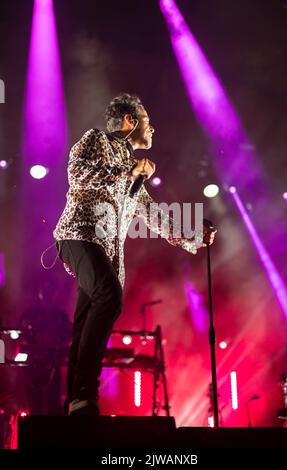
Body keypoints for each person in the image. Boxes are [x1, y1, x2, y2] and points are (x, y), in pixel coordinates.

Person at [53, 93, 216, 416]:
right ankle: (86, 393)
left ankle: (75, 401)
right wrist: (129, 171)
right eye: (148, 122)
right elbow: (78, 174)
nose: (153, 130)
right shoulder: (97, 140)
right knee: (109, 297)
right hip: (78, 236)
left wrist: (196, 236)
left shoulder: (133, 173)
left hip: (103, 250)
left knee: (87, 318)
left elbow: (156, 218)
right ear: (130, 122)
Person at [18, 281, 71, 415]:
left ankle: (53, 430)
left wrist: (55, 346)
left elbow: (69, 335)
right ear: (39, 293)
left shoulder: (61, 317)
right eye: (45, 290)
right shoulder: (30, 315)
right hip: (33, 363)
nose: (48, 293)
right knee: (34, 399)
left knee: (53, 397)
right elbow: (20, 334)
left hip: (53, 361)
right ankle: (34, 428)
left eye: (50, 290)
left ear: (56, 293)